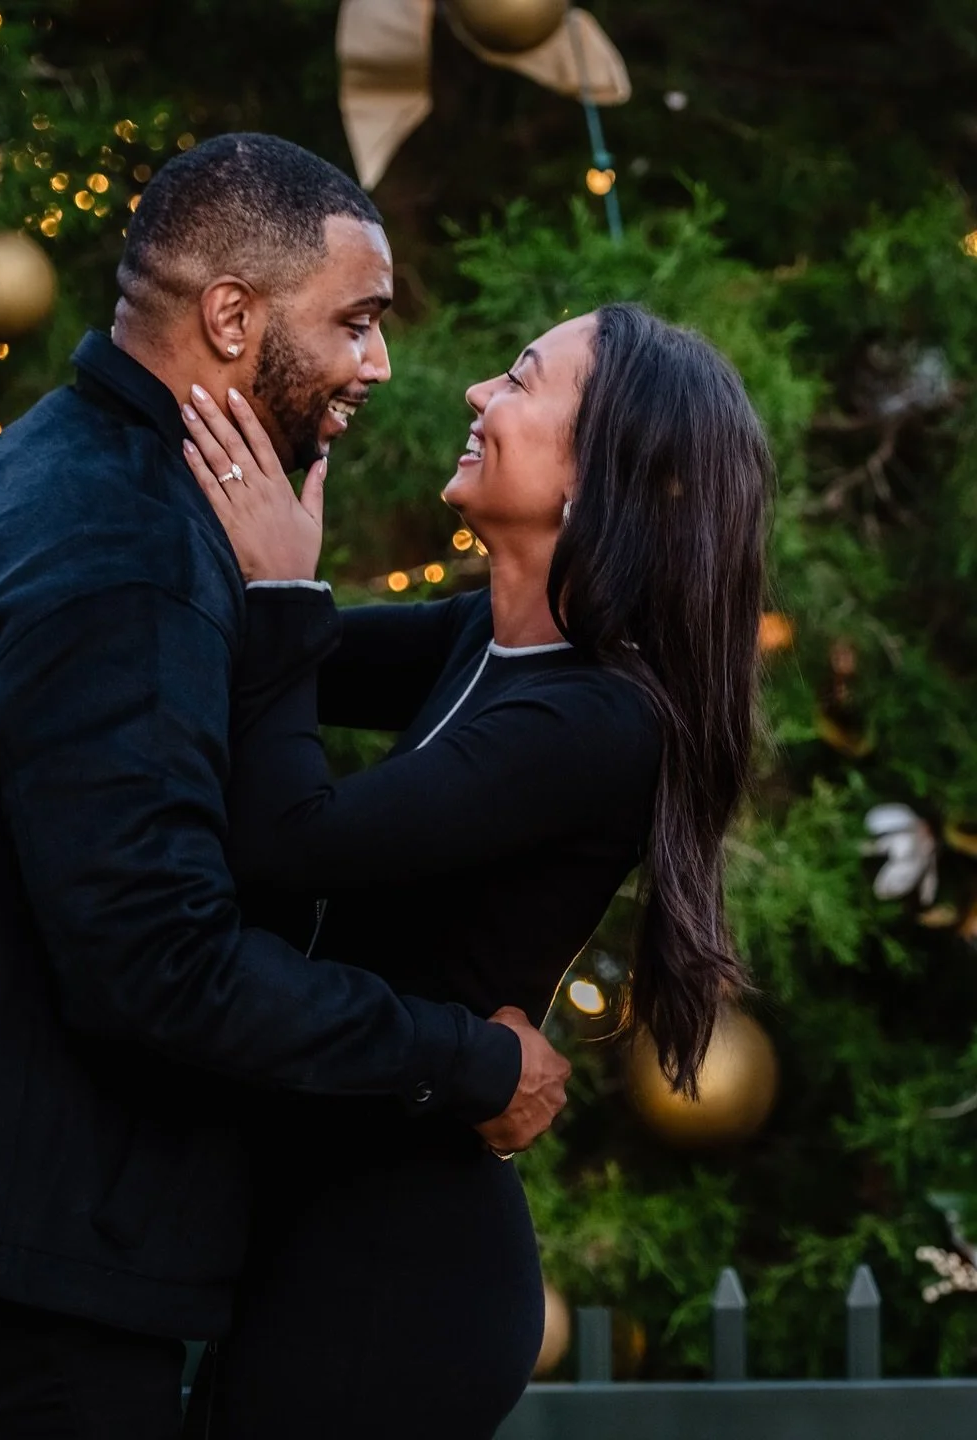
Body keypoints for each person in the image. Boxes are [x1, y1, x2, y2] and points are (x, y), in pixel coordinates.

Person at [0, 133, 572, 1439]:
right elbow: (158, 963)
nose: (382, 363)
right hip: (6, 1244)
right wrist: (469, 1061)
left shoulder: (73, 467)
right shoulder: (123, 553)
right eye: (358, 321)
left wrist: (286, 600)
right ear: (233, 316)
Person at [176, 301, 773, 1439]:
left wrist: (285, 588)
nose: (474, 395)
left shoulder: (600, 721)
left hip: (400, 1279)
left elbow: (291, 835)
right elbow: (261, 660)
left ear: (595, 482)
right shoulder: (478, 640)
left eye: (519, 379)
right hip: (314, 1228)